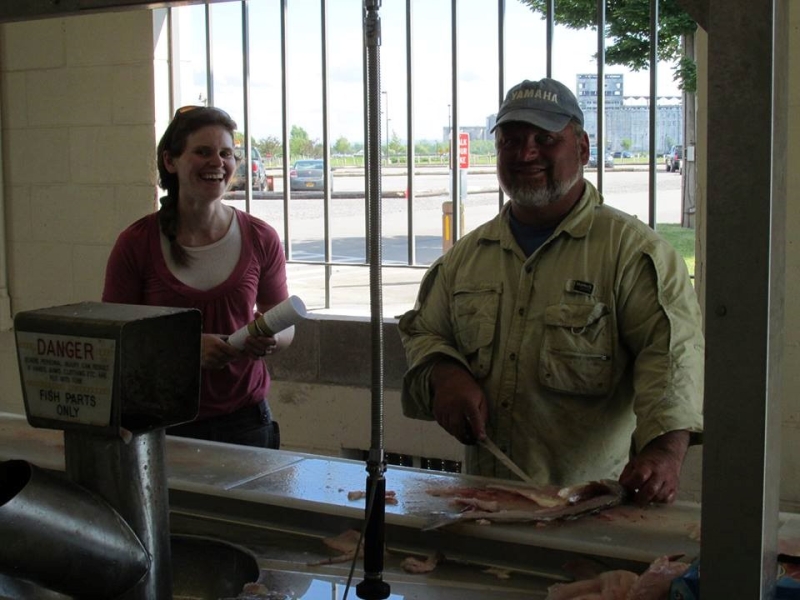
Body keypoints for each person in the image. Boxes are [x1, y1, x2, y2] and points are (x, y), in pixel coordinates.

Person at [398, 78, 704, 505]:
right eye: (511, 140)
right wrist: (444, 373)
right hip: (484, 502)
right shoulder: (465, 258)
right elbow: (424, 331)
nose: (526, 154)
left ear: (582, 148)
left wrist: (664, 452)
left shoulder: (633, 254)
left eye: (545, 139)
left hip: (593, 508)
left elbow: (671, 356)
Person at [103, 105, 292, 449]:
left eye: (226, 153)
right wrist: (186, 350)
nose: (218, 163)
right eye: (203, 152)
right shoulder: (136, 243)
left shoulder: (261, 237)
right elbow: (113, 339)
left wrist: (269, 338)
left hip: (246, 424)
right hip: (161, 426)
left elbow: (284, 323)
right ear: (170, 161)